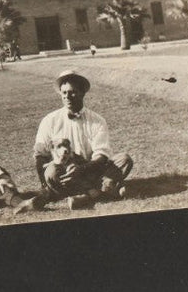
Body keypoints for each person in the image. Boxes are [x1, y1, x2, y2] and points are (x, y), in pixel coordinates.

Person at [32, 69, 135, 209]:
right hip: (65, 173)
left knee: (124, 159)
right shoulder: (50, 120)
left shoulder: (97, 120)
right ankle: (103, 191)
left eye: (72, 92)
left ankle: (86, 196)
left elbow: (102, 157)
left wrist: (81, 169)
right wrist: (44, 185)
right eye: (64, 93)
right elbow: (40, 156)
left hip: (91, 170)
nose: (67, 97)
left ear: (83, 93)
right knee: (51, 171)